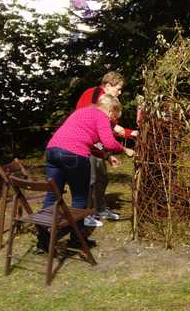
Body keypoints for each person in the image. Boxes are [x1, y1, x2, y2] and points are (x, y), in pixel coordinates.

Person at [36, 94, 135, 253]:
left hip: (52, 151)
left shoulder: (82, 113)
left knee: (52, 195)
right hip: (74, 154)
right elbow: (108, 142)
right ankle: (77, 239)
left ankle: (43, 242)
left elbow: (93, 142)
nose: (112, 121)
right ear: (110, 111)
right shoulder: (101, 116)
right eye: (114, 118)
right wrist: (125, 149)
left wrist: (107, 157)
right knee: (80, 197)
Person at [76, 71, 138, 226]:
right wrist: (119, 148)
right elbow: (92, 123)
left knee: (102, 177)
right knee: (90, 179)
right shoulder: (94, 94)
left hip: (96, 145)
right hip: (86, 144)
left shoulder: (107, 101)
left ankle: (99, 208)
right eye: (118, 88)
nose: (120, 91)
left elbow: (110, 127)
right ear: (108, 85)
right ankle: (86, 213)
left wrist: (130, 134)